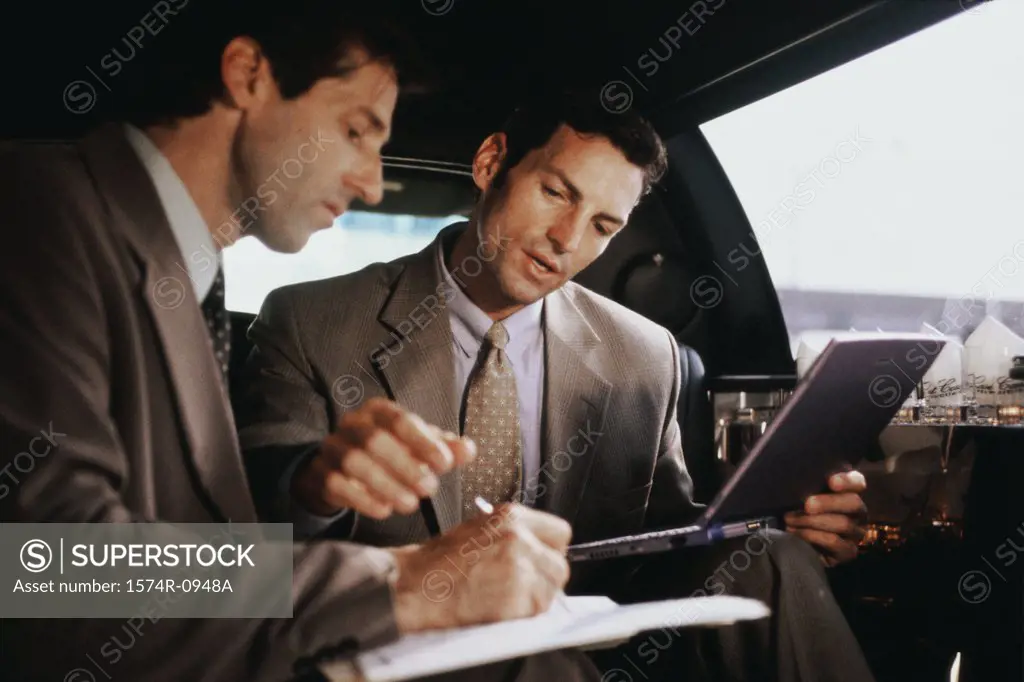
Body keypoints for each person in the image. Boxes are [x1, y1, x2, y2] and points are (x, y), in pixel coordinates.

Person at [0, 3, 602, 681]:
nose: (373, 182)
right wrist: (399, 582)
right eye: (355, 129)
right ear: (248, 74)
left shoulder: (178, 267)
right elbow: (46, 572)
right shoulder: (36, 209)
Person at [235, 92, 878, 681]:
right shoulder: (312, 322)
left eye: (602, 226)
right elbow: (256, 536)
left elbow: (671, 540)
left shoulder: (646, 357)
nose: (566, 240)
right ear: (491, 163)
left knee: (770, 559)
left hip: (592, 646)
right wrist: (320, 486)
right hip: (410, 651)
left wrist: (788, 519)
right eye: (555, 193)